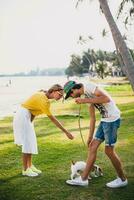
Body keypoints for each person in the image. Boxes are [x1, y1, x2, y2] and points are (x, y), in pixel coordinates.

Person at [64, 80, 128, 188]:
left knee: (109, 151)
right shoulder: (86, 96)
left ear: (74, 89)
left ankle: (122, 179)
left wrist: (84, 100)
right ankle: (83, 179)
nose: (72, 97)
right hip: (105, 120)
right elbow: (92, 118)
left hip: (112, 120)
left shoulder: (89, 86)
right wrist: (90, 137)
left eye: (70, 94)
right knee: (92, 146)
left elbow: (106, 99)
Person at [13, 84, 74, 177]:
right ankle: (25, 170)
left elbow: (33, 112)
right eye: (60, 94)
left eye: (62, 96)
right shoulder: (43, 100)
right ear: (53, 91)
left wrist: (29, 123)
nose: (61, 97)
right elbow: (53, 119)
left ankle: (29, 166)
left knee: (30, 141)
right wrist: (66, 132)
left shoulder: (44, 97)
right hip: (23, 115)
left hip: (27, 116)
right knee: (27, 142)